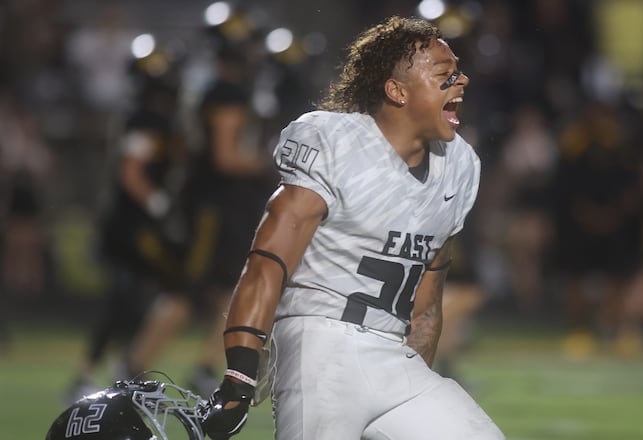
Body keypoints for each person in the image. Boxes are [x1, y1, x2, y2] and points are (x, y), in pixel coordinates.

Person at [200, 16, 505, 440]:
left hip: (393, 355)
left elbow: (427, 306)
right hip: (320, 348)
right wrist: (239, 376)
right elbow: (267, 262)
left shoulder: (459, 166)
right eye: (445, 73)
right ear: (397, 90)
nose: (462, 79)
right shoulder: (335, 141)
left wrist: (414, 374)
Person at [123, 27, 274, 397]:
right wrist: (266, 162)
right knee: (185, 293)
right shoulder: (227, 93)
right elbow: (225, 156)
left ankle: (206, 367)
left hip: (212, 205)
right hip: (214, 209)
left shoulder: (209, 89)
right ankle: (133, 369)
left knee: (231, 291)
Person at [66, 53, 187, 401]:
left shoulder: (150, 118)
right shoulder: (147, 120)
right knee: (128, 300)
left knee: (139, 299)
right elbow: (131, 170)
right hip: (133, 227)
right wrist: (158, 204)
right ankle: (91, 375)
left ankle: (122, 370)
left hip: (134, 225)